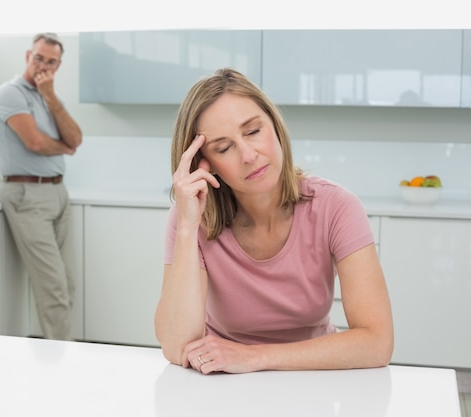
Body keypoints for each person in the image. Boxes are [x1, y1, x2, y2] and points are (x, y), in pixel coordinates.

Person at [154, 68, 393, 374]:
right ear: (206, 165)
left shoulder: (337, 206)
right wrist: (187, 228)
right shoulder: (192, 218)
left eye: (253, 131)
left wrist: (253, 358)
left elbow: (376, 342)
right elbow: (176, 347)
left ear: (275, 126)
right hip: (222, 381)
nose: (248, 155)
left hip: (313, 376)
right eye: (224, 148)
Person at [0, 32, 82, 340]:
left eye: (51, 61)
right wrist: (64, 147)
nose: (43, 65)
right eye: (38, 57)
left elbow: (76, 138)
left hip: (57, 193)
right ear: (28, 56)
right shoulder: (10, 93)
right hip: (27, 195)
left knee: (65, 283)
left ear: (58, 65)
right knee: (53, 286)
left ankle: (55, 354)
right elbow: (34, 142)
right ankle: (62, 363)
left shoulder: (50, 97)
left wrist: (51, 97)